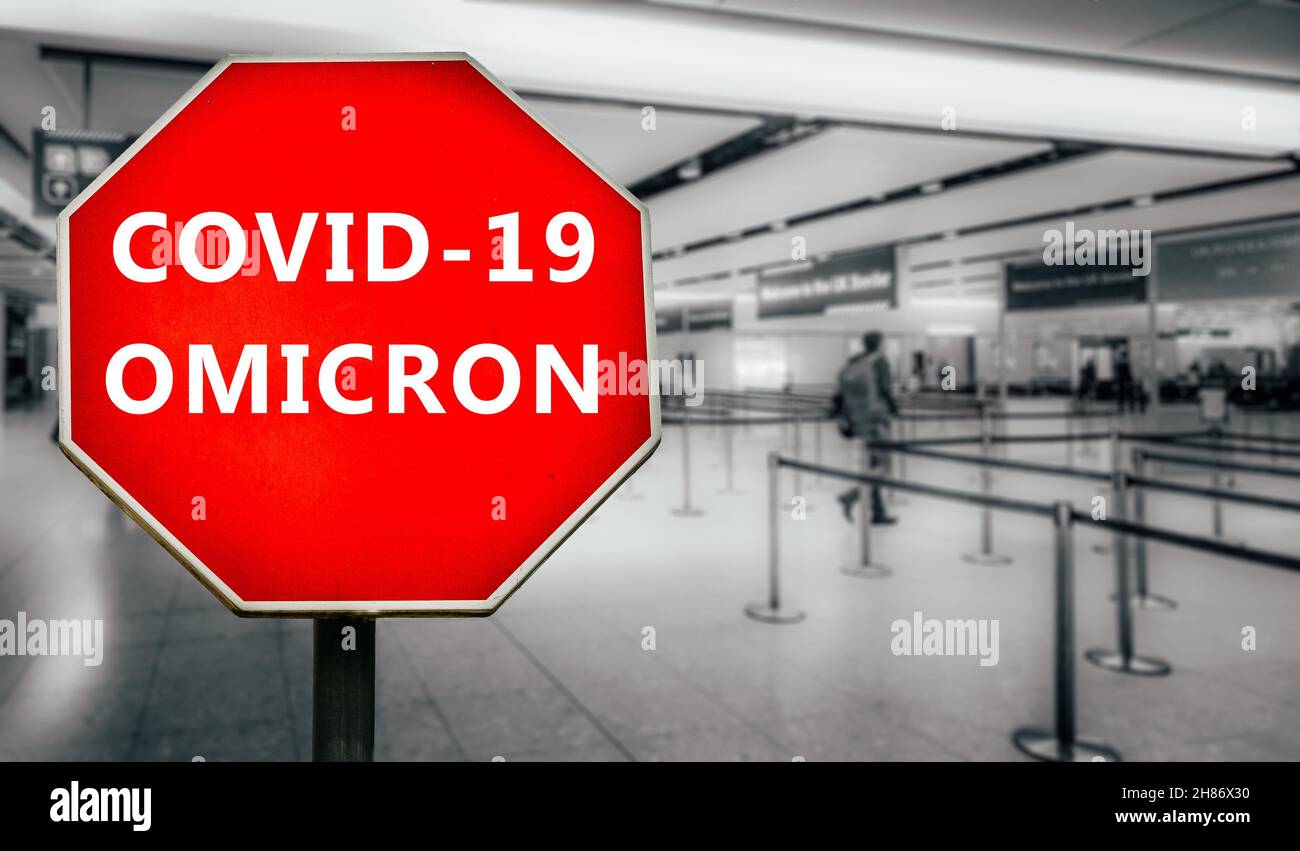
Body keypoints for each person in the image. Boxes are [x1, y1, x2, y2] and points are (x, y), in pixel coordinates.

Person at [835, 331, 899, 525]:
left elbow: (840, 389)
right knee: (882, 467)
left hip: (857, 419)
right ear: (880, 344)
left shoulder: (854, 360)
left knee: (873, 465)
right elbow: (885, 389)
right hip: (876, 419)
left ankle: (878, 512)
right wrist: (895, 410)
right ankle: (851, 496)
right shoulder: (880, 362)